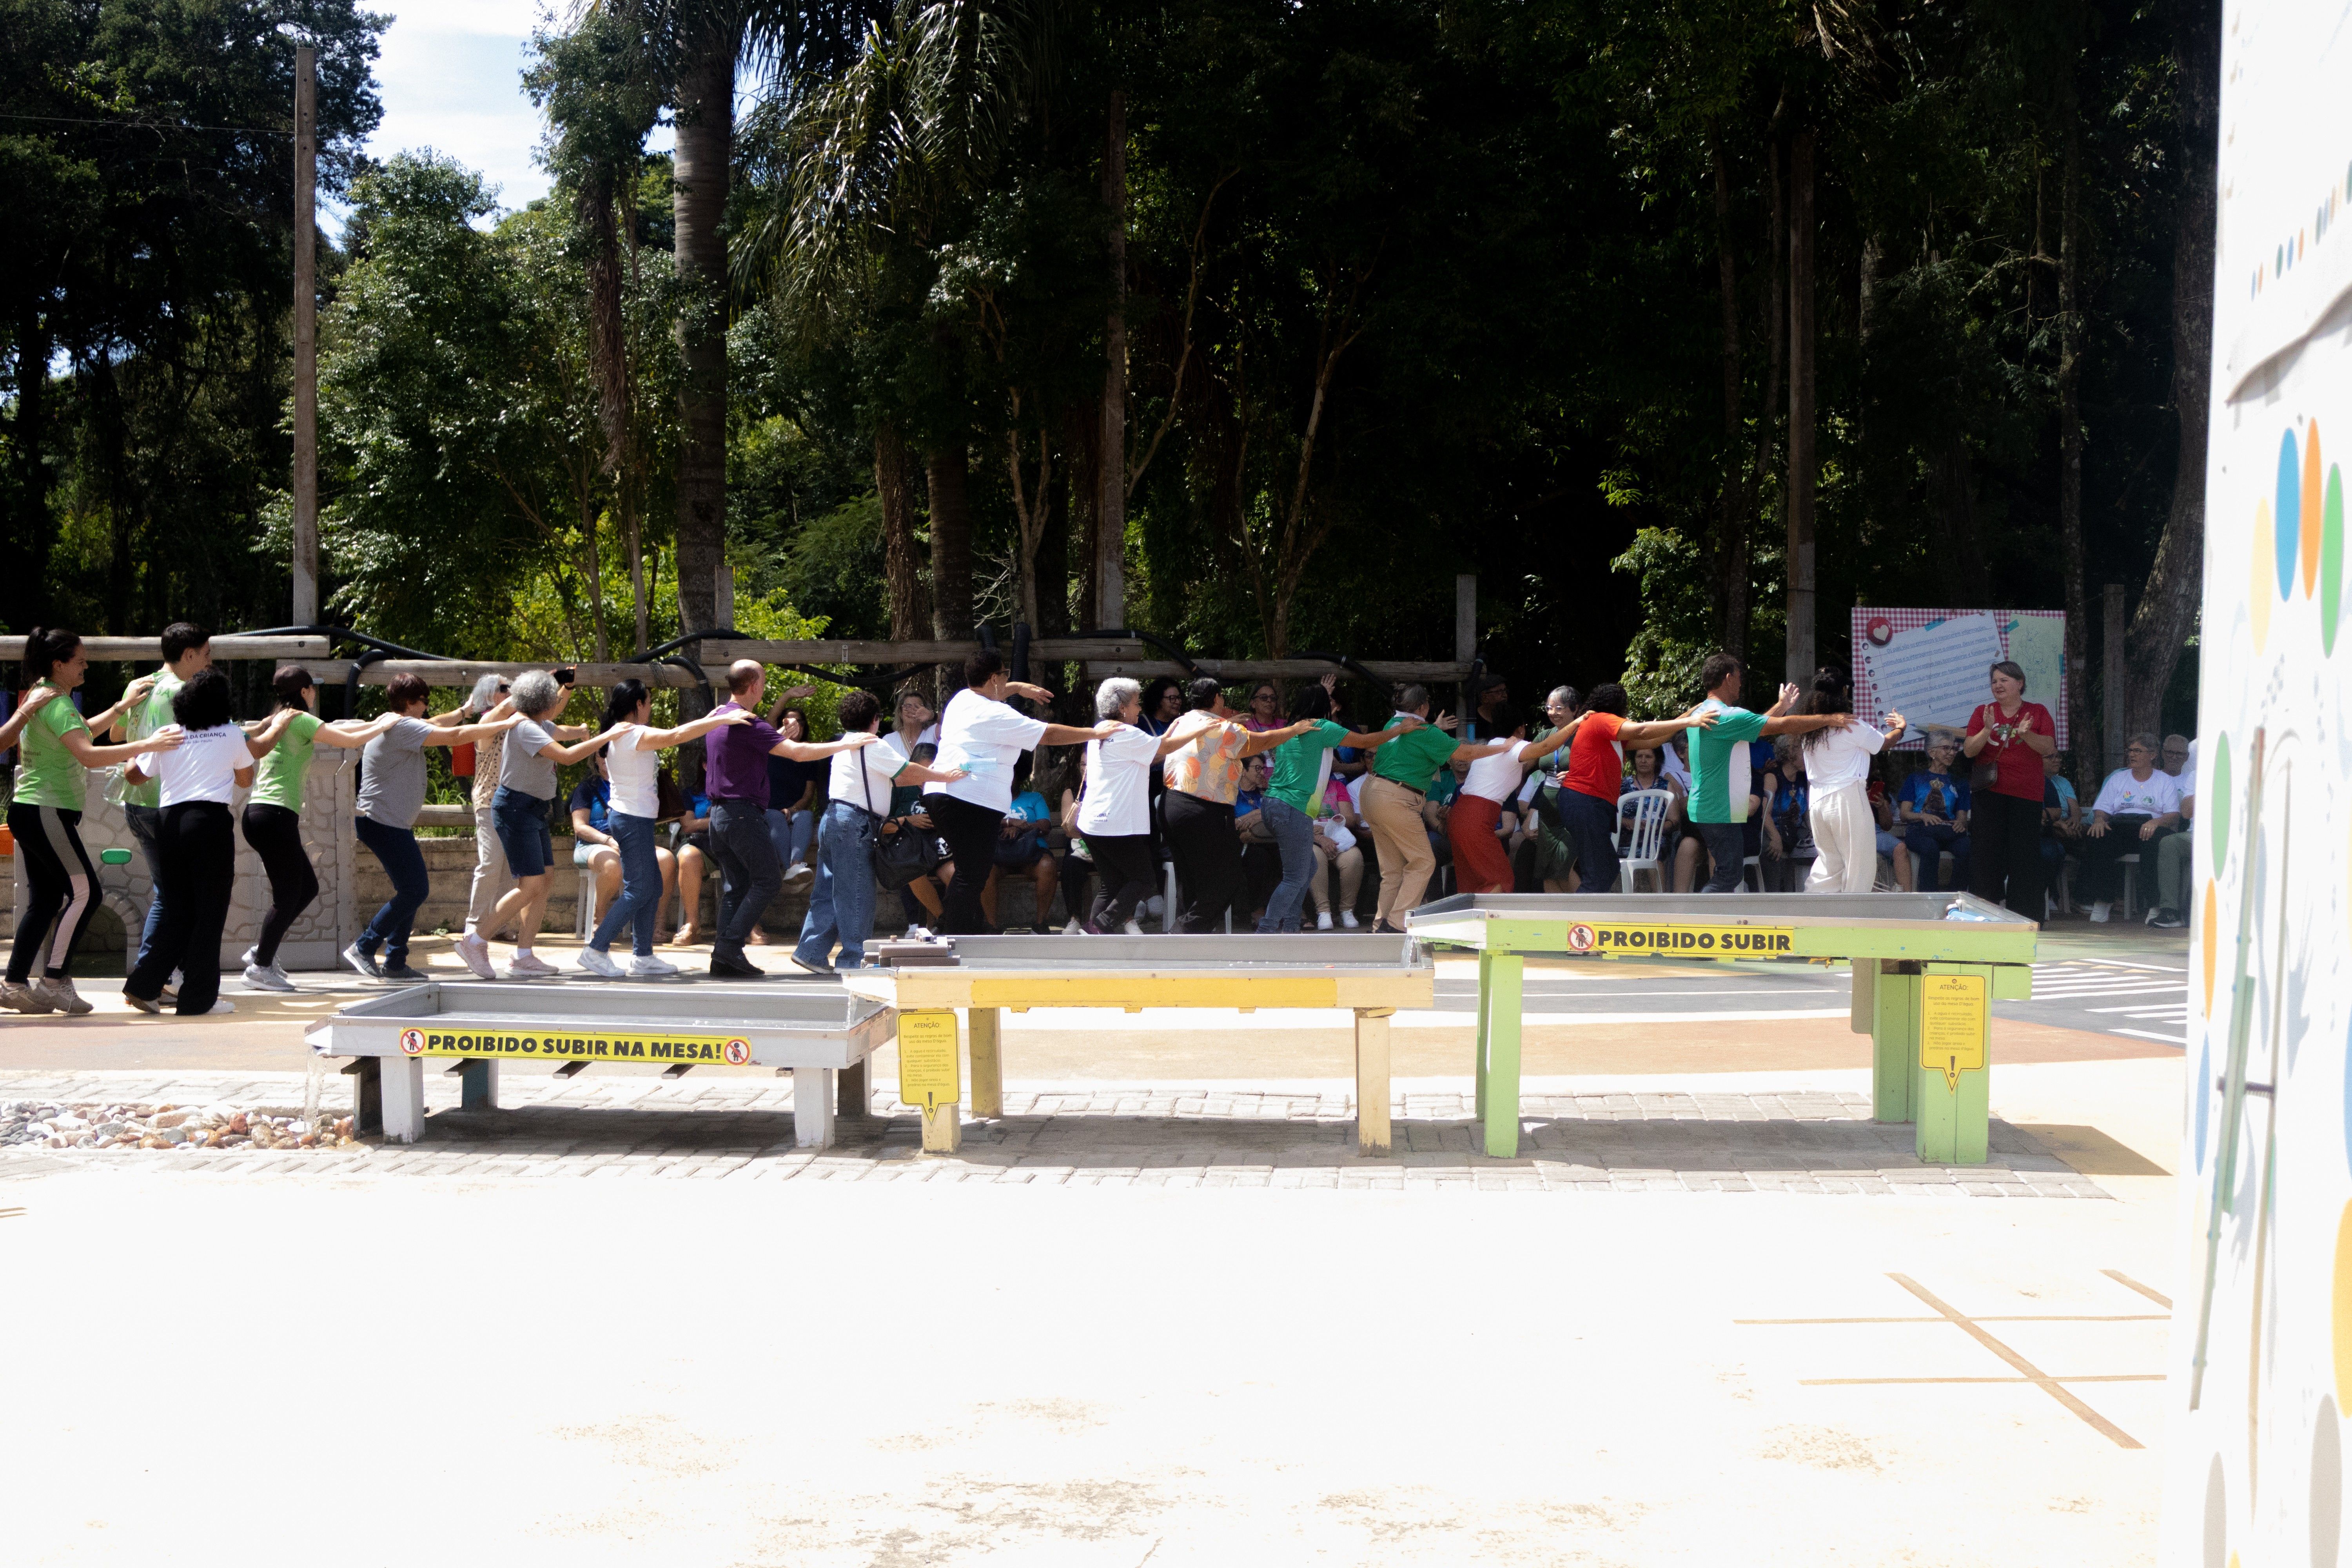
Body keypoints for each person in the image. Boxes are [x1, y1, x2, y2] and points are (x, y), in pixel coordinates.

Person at [2, 629, 185, 1015]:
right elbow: (88, 754)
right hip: (46, 810)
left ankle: (15, 983)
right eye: (81, 660)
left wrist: (122, 708)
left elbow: (84, 733)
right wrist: (146, 745)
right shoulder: (54, 702)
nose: (86, 665)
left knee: (47, 900)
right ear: (59, 663)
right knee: (87, 894)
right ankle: (54, 982)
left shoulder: (53, 697)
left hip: (36, 810)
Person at [700, 661, 887, 975]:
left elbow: (747, 753)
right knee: (769, 880)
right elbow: (799, 753)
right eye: (763, 680)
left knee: (740, 885)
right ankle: (729, 946)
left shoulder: (717, 717)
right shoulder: (747, 722)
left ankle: (725, 956)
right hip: (741, 814)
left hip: (720, 816)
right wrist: (845, 743)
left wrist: (777, 735)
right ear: (754, 686)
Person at [926, 652, 1125, 935]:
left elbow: (991, 689)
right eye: (1005, 674)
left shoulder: (961, 700)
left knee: (970, 871)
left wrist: (1018, 687)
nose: (1008, 680)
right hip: (969, 799)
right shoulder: (998, 714)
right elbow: (1048, 735)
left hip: (940, 793)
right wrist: (1094, 734)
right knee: (972, 874)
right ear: (994, 679)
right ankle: (951, 936)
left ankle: (954, 930)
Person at [346, 674, 526, 983]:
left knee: (411, 890)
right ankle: (365, 946)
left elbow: (439, 724)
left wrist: (464, 711)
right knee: (416, 889)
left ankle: (396, 962)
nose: (428, 706)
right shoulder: (401, 726)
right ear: (409, 703)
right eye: (424, 701)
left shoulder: (397, 723)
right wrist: (503, 724)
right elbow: (455, 737)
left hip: (387, 822)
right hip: (381, 822)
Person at [570, 678, 752, 977]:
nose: (651, 707)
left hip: (634, 820)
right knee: (639, 889)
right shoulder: (633, 734)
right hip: (631, 821)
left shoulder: (623, 733)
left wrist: (708, 720)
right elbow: (676, 735)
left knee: (651, 886)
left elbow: (675, 733)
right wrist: (722, 719)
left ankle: (643, 956)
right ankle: (596, 949)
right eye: (649, 702)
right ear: (638, 704)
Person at [239, 666, 401, 992]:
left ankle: (263, 952)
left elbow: (349, 729)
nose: (315, 694)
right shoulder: (300, 719)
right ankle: (260, 968)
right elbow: (352, 740)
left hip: (263, 816)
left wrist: (380, 722)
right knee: (287, 897)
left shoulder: (278, 717)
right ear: (304, 691)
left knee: (306, 888)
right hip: (274, 817)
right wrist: (385, 723)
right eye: (313, 689)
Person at [450, 671, 621, 979]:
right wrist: (606, 736)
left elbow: (563, 732)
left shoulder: (541, 724)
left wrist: (582, 730)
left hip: (532, 810)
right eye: (552, 698)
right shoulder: (526, 728)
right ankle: (474, 941)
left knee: (546, 879)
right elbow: (566, 757)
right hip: (514, 809)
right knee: (530, 884)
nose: (555, 702)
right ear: (542, 701)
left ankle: (524, 955)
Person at [118, 670, 269, 1016]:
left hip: (168, 822)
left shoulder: (168, 733)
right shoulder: (231, 733)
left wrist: (135, 749)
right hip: (209, 824)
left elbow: (135, 776)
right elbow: (246, 779)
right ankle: (198, 999)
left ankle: (143, 986)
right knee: (209, 913)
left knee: (176, 909)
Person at [793, 689, 965, 973]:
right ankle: (854, 959)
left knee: (828, 890)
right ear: (875, 720)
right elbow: (908, 773)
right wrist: (943, 776)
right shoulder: (873, 745)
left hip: (832, 818)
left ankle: (811, 951)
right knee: (857, 892)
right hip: (854, 823)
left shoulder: (845, 743)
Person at [1259, 684, 1423, 931]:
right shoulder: (1323, 727)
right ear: (1325, 706)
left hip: (1272, 805)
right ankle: (1267, 931)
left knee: (1306, 869)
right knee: (1295, 876)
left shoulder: (1289, 730)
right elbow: (1365, 741)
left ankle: (1290, 928)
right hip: (1292, 807)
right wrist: (1401, 728)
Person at [1680, 654, 1850, 893]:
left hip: (1709, 806)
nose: (1741, 684)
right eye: (1739, 678)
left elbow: (1759, 725)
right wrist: (1829, 719)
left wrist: (1781, 706)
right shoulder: (1727, 716)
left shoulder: (1703, 713)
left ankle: (1710, 921)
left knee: (1728, 873)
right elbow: (1782, 726)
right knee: (1728, 876)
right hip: (1718, 808)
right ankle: (1700, 923)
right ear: (1728, 678)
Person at [1159, 676, 1316, 933]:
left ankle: (1189, 946)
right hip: (1203, 809)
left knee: (1193, 881)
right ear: (1217, 698)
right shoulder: (1223, 728)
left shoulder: (1181, 722)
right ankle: (1180, 933)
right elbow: (1261, 742)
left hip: (1171, 806)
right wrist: (1294, 730)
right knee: (1228, 880)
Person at [1359, 684, 1516, 930]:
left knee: (1393, 870)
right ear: (1423, 707)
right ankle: (1396, 923)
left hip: (1372, 792)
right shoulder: (1424, 732)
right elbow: (1464, 753)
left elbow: (1414, 740)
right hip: (1395, 797)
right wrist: (1502, 747)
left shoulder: (1394, 724)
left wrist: (1435, 729)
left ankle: (1381, 926)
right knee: (1423, 862)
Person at [105, 621, 212, 980]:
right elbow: (192, 742)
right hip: (165, 803)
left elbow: (116, 734)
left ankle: (156, 976)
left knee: (167, 894)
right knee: (177, 898)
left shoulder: (143, 684)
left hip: (135, 802)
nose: (209, 662)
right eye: (207, 654)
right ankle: (155, 976)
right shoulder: (182, 691)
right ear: (190, 654)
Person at [1553, 685, 1712, 895]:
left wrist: (1685, 717)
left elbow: (1652, 740)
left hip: (1591, 804)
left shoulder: (1607, 732)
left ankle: (1588, 917)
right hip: (1584, 801)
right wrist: (1687, 722)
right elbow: (1642, 730)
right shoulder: (1600, 719)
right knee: (1598, 874)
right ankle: (1580, 923)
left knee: (1608, 868)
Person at [1075, 677, 1189, 934]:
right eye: (1137, 704)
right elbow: (1166, 748)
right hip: (1113, 824)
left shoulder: (1101, 731)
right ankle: (1100, 926)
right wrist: (1202, 731)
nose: (1140, 709)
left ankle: (1090, 939)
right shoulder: (1126, 733)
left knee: (1113, 884)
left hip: (1093, 823)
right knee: (1144, 880)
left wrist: (1171, 733)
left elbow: (1157, 750)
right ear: (1123, 707)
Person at [1960, 659, 2059, 916]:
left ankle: (2024, 916)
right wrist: (1987, 729)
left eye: (2004, 680)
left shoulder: (2037, 712)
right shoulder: (1984, 711)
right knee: (1986, 856)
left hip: (2026, 795)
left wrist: (2026, 734)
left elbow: (2048, 748)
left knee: (2024, 857)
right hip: (1989, 794)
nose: (1998, 685)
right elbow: (1970, 750)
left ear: (2020, 683)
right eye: (1994, 681)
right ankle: (1984, 914)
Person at [1792, 676, 1904, 893]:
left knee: (1828, 866)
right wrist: (1901, 728)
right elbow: (1885, 743)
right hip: (1847, 797)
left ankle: (1813, 912)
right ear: (1844, 692)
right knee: (1860, 867)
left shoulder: (1810, 730)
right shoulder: (1851, 724)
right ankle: (1854, 920)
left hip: (1817, 802)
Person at [2081, 732, 2183, 922]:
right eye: (2130, 751)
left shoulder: (2164, 780)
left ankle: (2154, 904)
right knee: (2098, 836)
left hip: (2151, 827)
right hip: (2122, 825)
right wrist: (2099, 820)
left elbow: (2173, 814)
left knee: (2153, 841)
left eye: (2138, 751)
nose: (2132, 755)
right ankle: (2103, 900)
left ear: (2152, 755)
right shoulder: (2119, 779)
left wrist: (2155, 822)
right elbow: (2103, 808)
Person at [984, 756, 1060, 931]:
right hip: (1000, 854)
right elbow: (984, 824)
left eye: (1013, 775)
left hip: (1032, 853)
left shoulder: (1034, 798)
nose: (1009, 780)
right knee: (985, 872)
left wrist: (1021, 828)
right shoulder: (989, 799)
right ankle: (992, 927)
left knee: (1048, 866)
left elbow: (1045, 826)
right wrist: (1010, 822)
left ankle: (1041, 924)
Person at [1895, 738, 1973, 892]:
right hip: (1920, 831)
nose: (1951, 753)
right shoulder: (1916, 779)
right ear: (1932, 752)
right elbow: (1905, 814)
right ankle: (1928, 896)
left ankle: (1956, 896)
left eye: (1954, 749)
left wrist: (1960, 823)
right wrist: (1923, 816)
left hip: (1948, 832)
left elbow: (1962, 816)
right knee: (1930, 848)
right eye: (1946, 748)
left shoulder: (1959, 782)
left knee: (1968, 849)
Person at [764, 695, 824, 891]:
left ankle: (795, 865)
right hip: (769, 810)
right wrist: (788, 694)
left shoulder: (808, 755)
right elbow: (771, 718)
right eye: (788, 721)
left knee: (806, 816)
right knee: (773, 816)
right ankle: (792, 868)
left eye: (798, 721)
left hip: (795, 810)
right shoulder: (772, 747)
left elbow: (808, 795)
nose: (793, 725)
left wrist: (791, 810)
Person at [2150, 745, 2194, 929]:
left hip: (2236, 836)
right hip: (2197, 835)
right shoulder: (2196, 776)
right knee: (2170, 842)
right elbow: (2186, 813)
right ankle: (2170, 911)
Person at [878, 689, 940, 762]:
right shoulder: (889, 740)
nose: (912, 711)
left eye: (917, 707)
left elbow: (952, 723)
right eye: (907, 707)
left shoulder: (933, 733)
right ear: (900, 713)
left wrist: (932, 716)